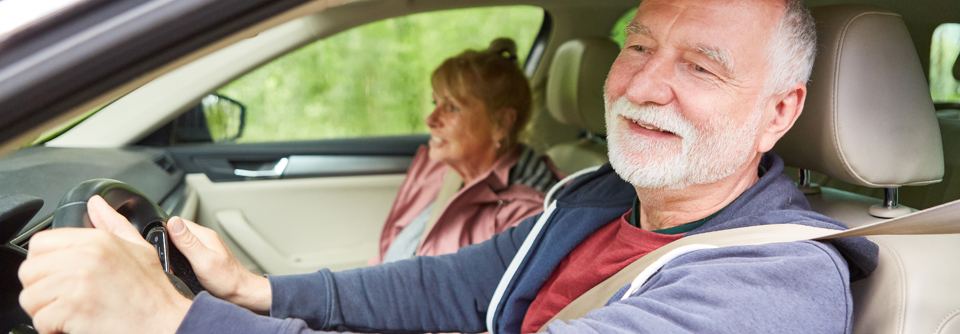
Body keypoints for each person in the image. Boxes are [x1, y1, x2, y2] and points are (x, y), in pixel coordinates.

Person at [18, 0, 880, 333]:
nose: (643, 85)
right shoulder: (600, 199)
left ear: (781, 112)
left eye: (700, 66)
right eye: (639, 45)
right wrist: (256, 292)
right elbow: (450, 290)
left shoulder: (776, 284)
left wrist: (173, 320)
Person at [374, 38, 561, 265]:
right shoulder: (444, 170)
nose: (430, 119)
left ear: (500, 123)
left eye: (451, 107)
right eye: (435, 103)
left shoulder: (525, 215)